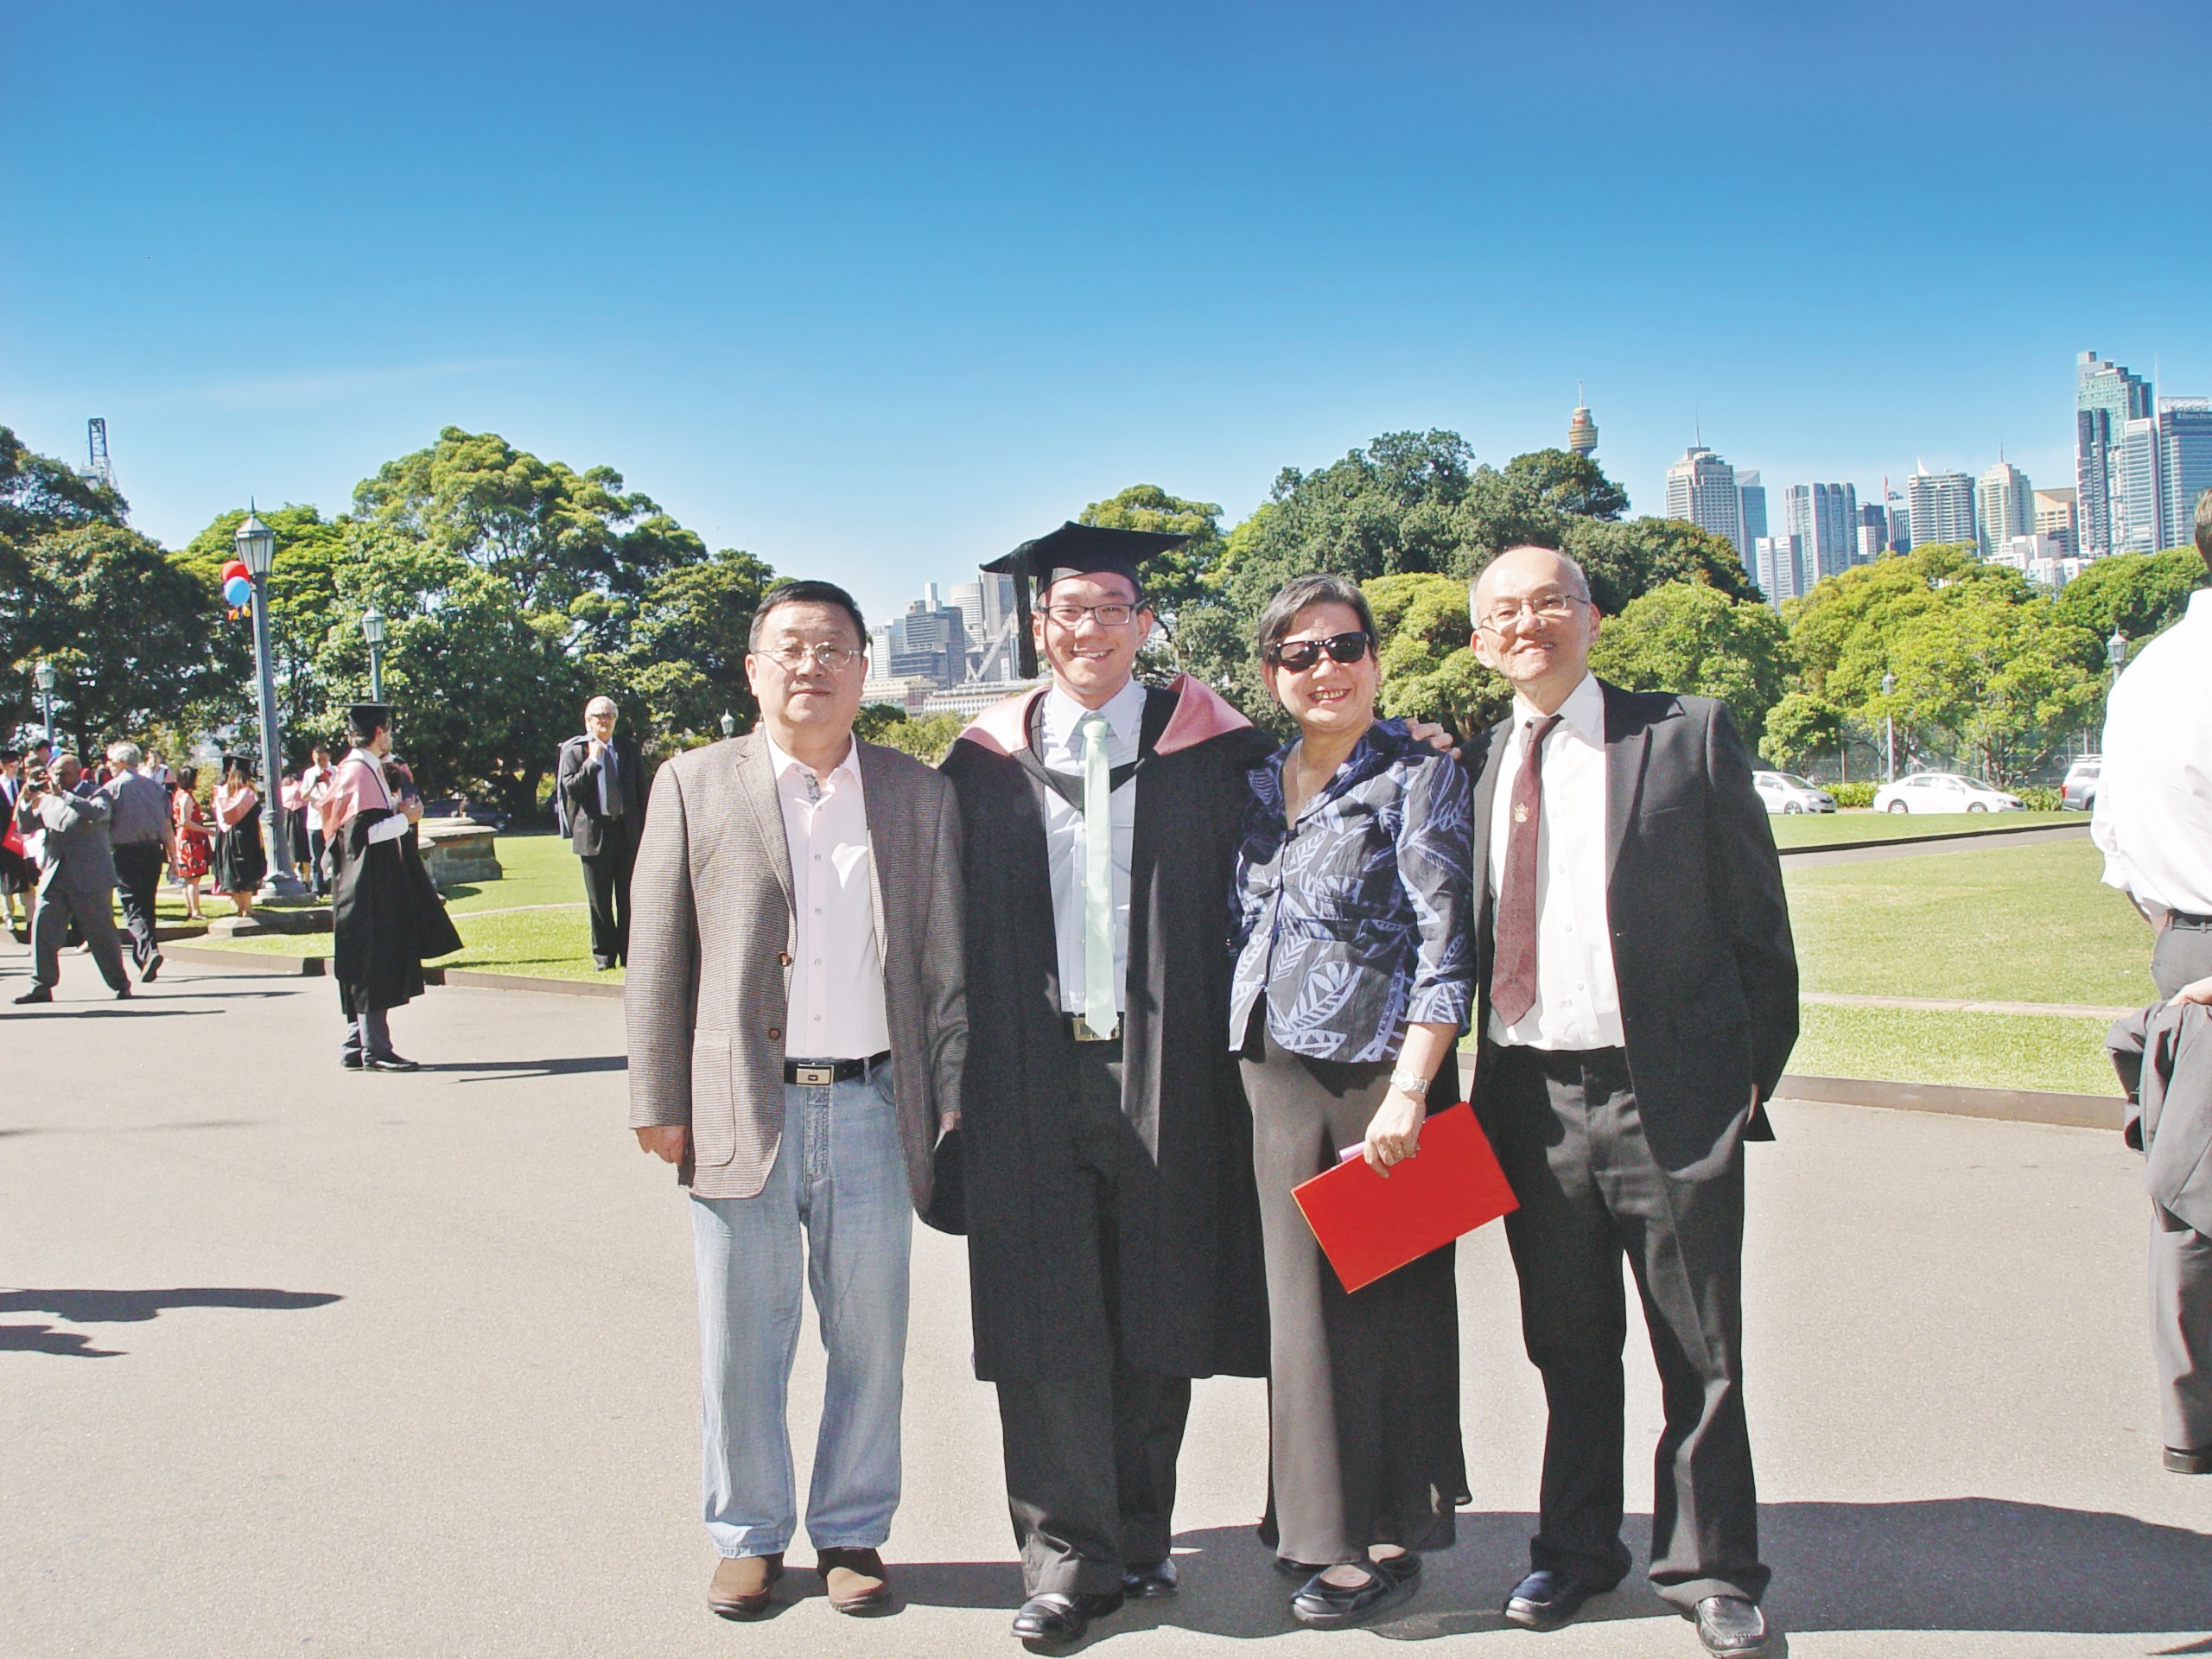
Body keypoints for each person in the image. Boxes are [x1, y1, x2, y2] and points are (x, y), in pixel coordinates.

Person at [938, 523, 1274, 1649]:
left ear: (1144, 624)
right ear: (1040, 626)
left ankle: (1139, 1532)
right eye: (1068, 612)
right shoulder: (980, 757)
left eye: (1111, 610)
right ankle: (1062, 1560)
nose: (1089, 630)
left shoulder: (1216, 748)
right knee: (1044, 1310)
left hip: (1166, 1059)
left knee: (1155, 1298)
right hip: (1026, 1063)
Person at [1460, 546, 1796, 1659]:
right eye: (1504, 611)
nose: (1529, 624)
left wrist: (1748, 1076)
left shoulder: (1683, 736)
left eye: (1550, 602)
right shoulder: (1468, 763)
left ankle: (1712, 1568)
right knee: (1566, 1343)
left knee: (1700, 1349)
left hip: (1666, 1091)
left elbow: (1759, 924)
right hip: (1526, 1097)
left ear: (1592, 618)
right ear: (1477, 641)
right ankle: (1574, 1549)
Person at [626, 580, 967, 1622]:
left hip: (872, 1103)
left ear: (865, 668)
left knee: (869, 1337)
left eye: (832, 647)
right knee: (744, 1338)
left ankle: (853, 1528)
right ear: (752, 669)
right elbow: (656, 952)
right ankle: (748, 1532)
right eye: (789, 648)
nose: (809, 665)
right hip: (740, 1107)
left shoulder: (917, 793)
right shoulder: (693, 784)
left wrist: (949, 1106)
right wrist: (658, 1097)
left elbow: (945, 969)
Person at [1228, 575, 1474, 1630]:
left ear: (1376, 658)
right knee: (1302, 1317)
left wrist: (1414, 1089)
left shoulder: (1421, 773)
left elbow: (1445, 942)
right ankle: (1314, 1524)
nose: (1325, 668)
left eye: (1345, 647)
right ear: (1271, 674)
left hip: (1386, 1075)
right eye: (1299, 654)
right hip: (1272, 1072)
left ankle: (1383, 1538)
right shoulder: (1250, 776)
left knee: (1393, 1311)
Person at [2092, 489, 2212, 1478]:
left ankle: (2193, 1424)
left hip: (2183, 946)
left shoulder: (2146, 673)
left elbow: (2115, 845)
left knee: (2191, 1198)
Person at [320, 704, 461, 1071]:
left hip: (371, 882)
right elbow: (361, 837)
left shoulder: (364, 769)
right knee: (370, 962)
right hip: (365, 885)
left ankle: (356, 1045)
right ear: (379, 731)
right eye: (389, 729)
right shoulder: (359, 772)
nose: (391, 735)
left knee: (368, 959)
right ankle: (375, 1051)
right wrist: (405, 818)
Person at [11, 753, 133, 1004]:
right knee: (43, 930)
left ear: (77, 773)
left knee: (101, 935)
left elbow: (96, 814)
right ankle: (41, 985)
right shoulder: (48, 799)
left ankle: (119, 983)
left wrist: (64, 795)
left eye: (63, 774)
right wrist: (25, 798)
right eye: (54, 773)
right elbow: (25, 827)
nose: (57, 778)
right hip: (56, 876)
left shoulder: (96, 793)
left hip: (90, 877)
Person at [556, 696, 646, 969]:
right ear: (588, 721)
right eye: (599, 716)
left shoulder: (628, 749)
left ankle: (630, 954)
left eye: (609, 716)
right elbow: (570, 788)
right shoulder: (575, 750)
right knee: (599, 901)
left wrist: (646, 829)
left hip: (626, 833)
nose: (604, 721)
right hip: (593, 835)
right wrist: (592, 762)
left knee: (629, 898)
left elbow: (641, 791)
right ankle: (604, 956)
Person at [101, 741, 176, 983]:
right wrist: (174, 859)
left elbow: (102, 825)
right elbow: (167, 827)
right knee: (147, 903)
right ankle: (145, 955)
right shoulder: (155, 788)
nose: (108, 767)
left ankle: (149, 951)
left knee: (132, 905)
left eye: (111, 762)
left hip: (125, 852)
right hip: (153, 851)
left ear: (122, 763)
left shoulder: (112, 788)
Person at [210, 757, 266, 918]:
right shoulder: (247, 793)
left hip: (226, 837)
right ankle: (247, 908)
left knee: (232, 869)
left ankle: (239, 907)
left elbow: (220, 815)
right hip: (246, 836)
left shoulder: (222, 792)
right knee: (247, 868)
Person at [171, 767, 213, 920]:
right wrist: (206, 830)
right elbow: (185, 821)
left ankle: (191, 909)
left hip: (183, 838)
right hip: (191, 840)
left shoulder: (178, 795)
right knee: (193, 879)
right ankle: (195, 911)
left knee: (187, 878)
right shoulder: (186, 797)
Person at [298, 742, 335, 897]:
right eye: (318, 760)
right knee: (316, 857)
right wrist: (314, 783)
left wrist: (327, 782)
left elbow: (339, 792)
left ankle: (333, 886)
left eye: (324, 759)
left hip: (331, 819)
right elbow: (302, 796)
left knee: (334, 855)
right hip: (315, 820)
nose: (321, 763)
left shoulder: (336, 771)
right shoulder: (309, 773)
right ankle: (317, 888)